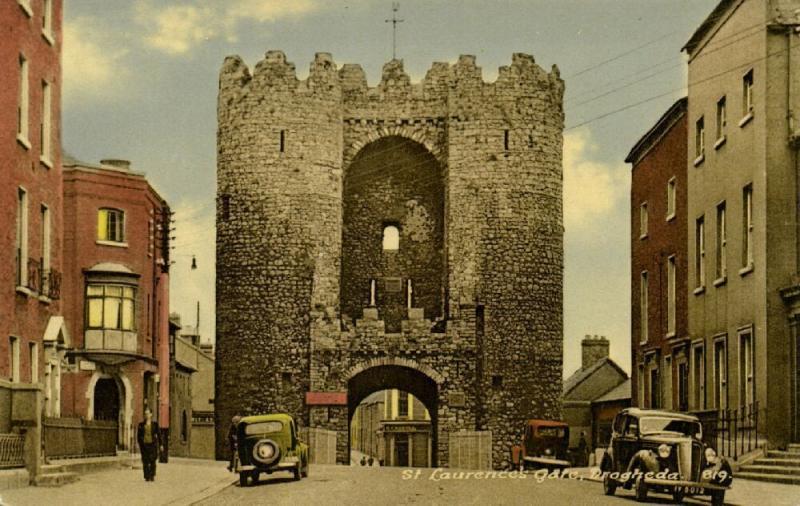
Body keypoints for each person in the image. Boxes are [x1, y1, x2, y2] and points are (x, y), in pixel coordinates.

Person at [136, 408, 161, 482]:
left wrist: (161, 444)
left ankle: (152, 475)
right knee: (145, 461)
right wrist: (140, 444)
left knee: (153, 460)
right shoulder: (141, 425)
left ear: (151, 414)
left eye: (148, 413)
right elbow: (139, 436)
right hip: (144, 445)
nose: (146, 415)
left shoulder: (155, 424)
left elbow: (159, 435)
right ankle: (147, 476)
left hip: (152, 445)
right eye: (145, 414)